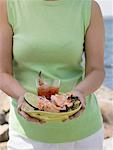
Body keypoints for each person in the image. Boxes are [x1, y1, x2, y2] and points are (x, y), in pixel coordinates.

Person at [0, 0, 105, 149]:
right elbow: (2, 72)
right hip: (27, 135)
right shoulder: (8, 5)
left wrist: (79, 92)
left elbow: (96, 70)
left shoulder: (88, 7)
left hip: (83, 134)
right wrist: (22, 97)